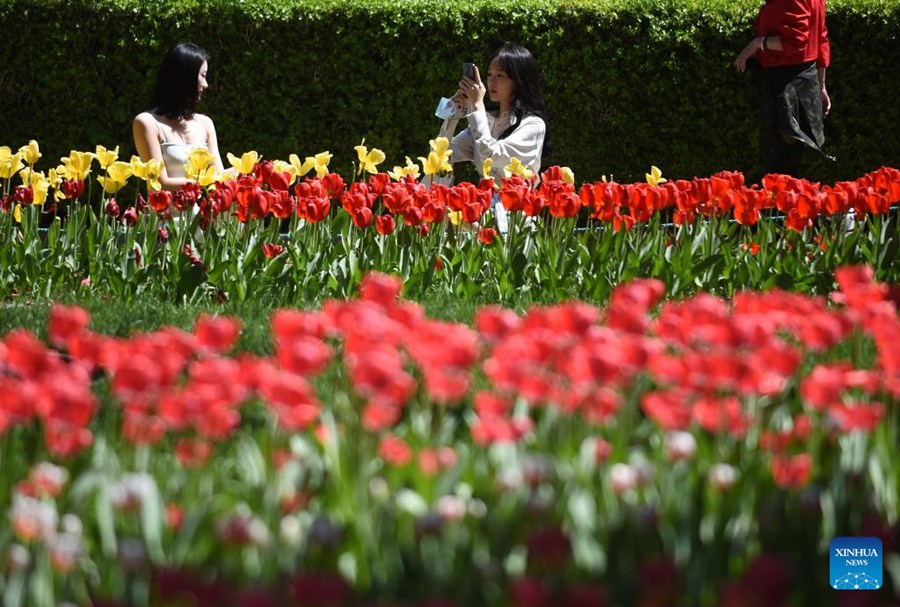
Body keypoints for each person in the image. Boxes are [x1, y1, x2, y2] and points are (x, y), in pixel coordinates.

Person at [448, 42, 548, 232]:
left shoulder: (533, 125)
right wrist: (454, 112)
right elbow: (443, 154)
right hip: (482, 216)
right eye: (489, 75)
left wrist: (477, 108)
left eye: (500, 76)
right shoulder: (486, 121)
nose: (491, 82)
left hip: (515, 222)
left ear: (518, 80)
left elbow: (491, 154)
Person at [734, 0, 831, 179]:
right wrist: (821, 86)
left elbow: (795, 42)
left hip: (785, 84)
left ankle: (780, 205)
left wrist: (757, 44)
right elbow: (820, 40)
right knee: (794, 158)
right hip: (804, 83)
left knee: (779, 161)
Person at [133, 42, 225, 191]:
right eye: (202, 75)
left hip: (202, 214)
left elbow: (219, 175)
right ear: (185, 77)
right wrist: (206, 182)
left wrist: (250, 172)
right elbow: (161, 183)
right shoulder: (147, 123)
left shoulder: (205, 124)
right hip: (164, 213)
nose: (206, 84)